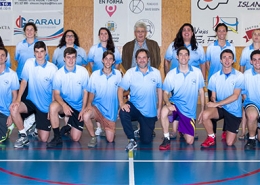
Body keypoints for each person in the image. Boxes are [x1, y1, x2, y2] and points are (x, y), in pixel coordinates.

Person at [10, 41, 57, 148]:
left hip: (44, 106)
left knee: (44, 139)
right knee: (13, 108)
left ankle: (35, 124)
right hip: (30, 101)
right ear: (34, 53)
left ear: (46, 52)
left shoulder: (52, 69)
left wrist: (52, 109)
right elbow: (24, 82)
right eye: (37, 52)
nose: (39, 54)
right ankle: (23, 136)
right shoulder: (29, 63)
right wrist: (17, 99)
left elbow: (55, 90)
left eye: (41, 51)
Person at [164, 23, 206, 139]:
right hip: (176, 81)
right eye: (184, 30)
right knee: (175, 104)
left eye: (189, 30)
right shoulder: (173, 45)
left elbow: (203, 63)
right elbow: (166, 60)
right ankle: (174, 130)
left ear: (192, 33)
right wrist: (167, 75)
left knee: (189, 105)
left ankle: (188, 129)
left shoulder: (198, 47)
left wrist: (202, 78)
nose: (186, 32)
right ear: (181, 33)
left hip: (191, 80)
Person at [159, 47, 205, 150]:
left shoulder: (197, 72)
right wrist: (168, 103)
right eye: (181, 54)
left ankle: (181, 128)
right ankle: (166, 138)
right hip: (175, 105)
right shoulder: (171, 74)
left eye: (185, 54)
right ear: (177, 57)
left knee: (190, 141)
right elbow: (165, 93)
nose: (183, 57)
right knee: (164, 111)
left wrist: (202, 109)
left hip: (189, 111)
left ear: (189, 57)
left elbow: (201, 92)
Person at [118, 49, 162, 151]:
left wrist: (159, 108)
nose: (142, 60)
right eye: (139, 58)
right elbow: (120, 89)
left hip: (149, 111)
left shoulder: (156, 73)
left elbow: (160, 90)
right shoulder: (130, 73)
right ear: (136, 60)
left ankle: (140, 130)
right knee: (124, 112)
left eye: (144, 57)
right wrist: (121, 104)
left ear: (148, 59)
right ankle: (132, 140)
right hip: (135, 107)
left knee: (146, 140)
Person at [121, 22, 161, 135]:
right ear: (135, 33)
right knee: (132, 103)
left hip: (148, 77)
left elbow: (157, 60)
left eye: (142, 31)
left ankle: (147, 127)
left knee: (149, 103)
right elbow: (124, 62)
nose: (140, 34)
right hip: (133, 79)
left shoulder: (153, 45)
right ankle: (134, 128)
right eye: (138, 31)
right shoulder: (127, 46)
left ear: (146, 33)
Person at [201, 49, 244, 147]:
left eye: (230, 57)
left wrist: (217, 103)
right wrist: (213, 101)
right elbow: (213, 97)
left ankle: (231, 133)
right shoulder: (214, 77)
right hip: (221, 108)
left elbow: (235, 96)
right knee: (205, 115)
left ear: (233, 60)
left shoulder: (239, 76)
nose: (227, 60)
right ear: (220, 60)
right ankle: (211, 137)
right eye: (224, 57)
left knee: (229, 143)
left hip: (234, 111)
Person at [47, 47, 89, 148]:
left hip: (78, 107)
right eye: (68, 57)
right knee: (52, 107)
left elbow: (86, 92)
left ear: (76, 59)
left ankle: (68, 126)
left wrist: (83, 109)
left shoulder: (83, 72)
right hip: (64, 103)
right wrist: (64, 105)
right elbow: (56, 93)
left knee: (75, 138)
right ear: (64, 59)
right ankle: (57, 137)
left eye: (73, 57)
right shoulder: (58, 74)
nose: (71, 60)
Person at [15, 22, 50, 136]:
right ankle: (26, 127)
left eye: (31, 29)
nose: (29, 32)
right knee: (24, 103)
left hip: (37, 81)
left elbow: (46, 61)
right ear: (24, 32)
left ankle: (35, 124)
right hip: (23, 80)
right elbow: (17, 60)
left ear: (35, 31)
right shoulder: (20, 45)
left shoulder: (41, 45)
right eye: (27, 30)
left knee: (37, 102)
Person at [87, 27, 122, 136]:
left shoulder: (114, 48)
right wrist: (96, 72)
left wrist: (113, 72)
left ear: (108, 35)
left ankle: (109, 122)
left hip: (110, 77)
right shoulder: (94, 48)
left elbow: (118, 63)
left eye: (105, 34)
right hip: (99, 78)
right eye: (101, 34)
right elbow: (91, 63)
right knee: (97, 100)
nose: (103, 36)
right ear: (99, 36)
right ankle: (98, 127)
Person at [83, 50, 122, 147]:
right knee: (86, 115)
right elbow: (91, 92)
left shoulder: (118, 75)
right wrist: (88, 105)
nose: (108, 61)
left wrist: (120, 107)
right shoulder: (95, 75)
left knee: (110, 140)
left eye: (110, 59)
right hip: (97, 108)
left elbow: (121, 92)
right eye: (106, 59)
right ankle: (93, 137)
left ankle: (106, 128)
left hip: (110, 113)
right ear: (102, 60)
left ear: (113, 62)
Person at [206, 23, 236, 140]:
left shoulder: (231, 47)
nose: (222, 33)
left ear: (226, 32)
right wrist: (214, 77)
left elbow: (233, 63)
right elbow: (207, 62)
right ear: (216, 33)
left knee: (227, 107)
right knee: (213, 107)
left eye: (224, 31)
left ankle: (225, 130)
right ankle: (212, 132)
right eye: (219, 31)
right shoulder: (210, 47)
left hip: (227, 84)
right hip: (213, 84)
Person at [239, 28, 260, 139]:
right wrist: (243, 81)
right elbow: (241, 66)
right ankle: (243, 132)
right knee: (246, 111)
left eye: (259, 34)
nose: (257, 36)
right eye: (255, 34)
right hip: (249, 83)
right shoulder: (246, 50)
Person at [0, 47, 19, 143]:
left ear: (6, 58)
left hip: (4, 112)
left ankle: (9, 125)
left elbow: (15, 96)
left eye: (2, 55)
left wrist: (11, 115)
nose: (0, 57)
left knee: (1, 138)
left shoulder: (12, 74)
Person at [243, 50, 260, 150]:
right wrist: (248, 104)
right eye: (254, 60)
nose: (257, 62)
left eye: (259, 59)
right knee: (252, 115)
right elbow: (243, 93)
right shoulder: (246, 74)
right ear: (251, 61)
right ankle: (251, 139)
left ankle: (255, 129)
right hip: (252, 104)